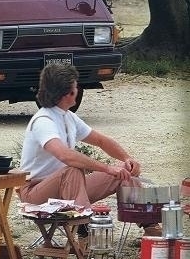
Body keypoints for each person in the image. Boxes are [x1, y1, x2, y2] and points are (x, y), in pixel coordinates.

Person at [17, 63, 161, 239]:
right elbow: (65, 156)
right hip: (36, 191)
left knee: (122, 171)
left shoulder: (68, 116)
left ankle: (151, 226)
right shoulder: (44, 121)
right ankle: (84, 230)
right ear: (68, 93)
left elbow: (100, 140)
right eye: (75, 86)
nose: (78, 89)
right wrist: (106, 168)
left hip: (69, 188)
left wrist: (127, 158)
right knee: (72, 170)